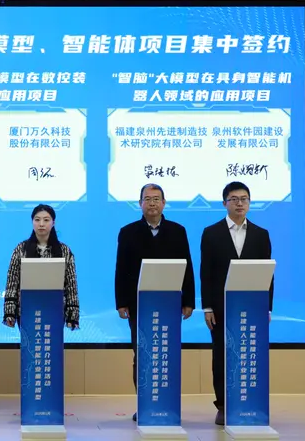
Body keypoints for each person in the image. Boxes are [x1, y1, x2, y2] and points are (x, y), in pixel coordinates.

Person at [114, 183, 195, 422]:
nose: (152, 203)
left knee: (166, 354)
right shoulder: (128, 231)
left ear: (164, 203)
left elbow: (188, 267)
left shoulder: (178, 231)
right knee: (142, 354)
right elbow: (121, 269)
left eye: (156, 199)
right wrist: (121, 302)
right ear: (140, 203)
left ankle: (167, 405)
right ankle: (145, 404)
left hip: (169, 304)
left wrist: (189, 300)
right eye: (147, 199)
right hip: (139, 304)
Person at [200, 181, 273, 426]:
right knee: (222, 355)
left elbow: (268, 274)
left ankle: (250, 404)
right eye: (234, 199)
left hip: (252, 307)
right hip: (221, 308)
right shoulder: (211, 233)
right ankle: (223, 405)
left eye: (244, 199)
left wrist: (267, 307)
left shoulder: (261, 234)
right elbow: (206, 273)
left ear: (249, 203)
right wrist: (207, 307)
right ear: (225, 203)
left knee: (250, 355)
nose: (239, 203)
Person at [2, 204, 80, 330]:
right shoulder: (21, 249)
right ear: (32, 222)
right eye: (37, 220)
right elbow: (12, 282)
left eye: (46, 220)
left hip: (55, 310)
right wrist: (9, 313)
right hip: (26, 310)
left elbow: (71, 284)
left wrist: (72, 315)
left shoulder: (64, 251)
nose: (41, 224)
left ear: (53, 223)